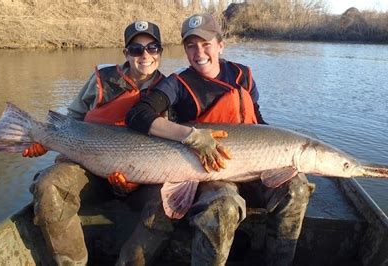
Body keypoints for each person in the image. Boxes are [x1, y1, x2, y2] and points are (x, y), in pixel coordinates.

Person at [122, 13, 313, 266]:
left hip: (254, 166)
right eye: (191, 45)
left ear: (220, 45)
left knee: (297, 189)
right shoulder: (177, 84)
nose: (198, 52)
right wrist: (190, 136)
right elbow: (137, 115)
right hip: (211, 171)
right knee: (223, 205)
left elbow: (256, 119)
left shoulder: (243, 75)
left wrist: (277, 148)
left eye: (205, 44)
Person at [22, 20, 165, 265]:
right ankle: (72, 261)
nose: (145, 55)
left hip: (143, 179)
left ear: (160, 52)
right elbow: (73, 119)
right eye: (136, 49)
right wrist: (46, 141)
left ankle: (131, 260)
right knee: (48, 185)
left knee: (170, 203)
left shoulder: (170, 88)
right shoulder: (102, 78)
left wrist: (135, 181)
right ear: (126, 54)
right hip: (89, 169)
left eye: (152, 48)